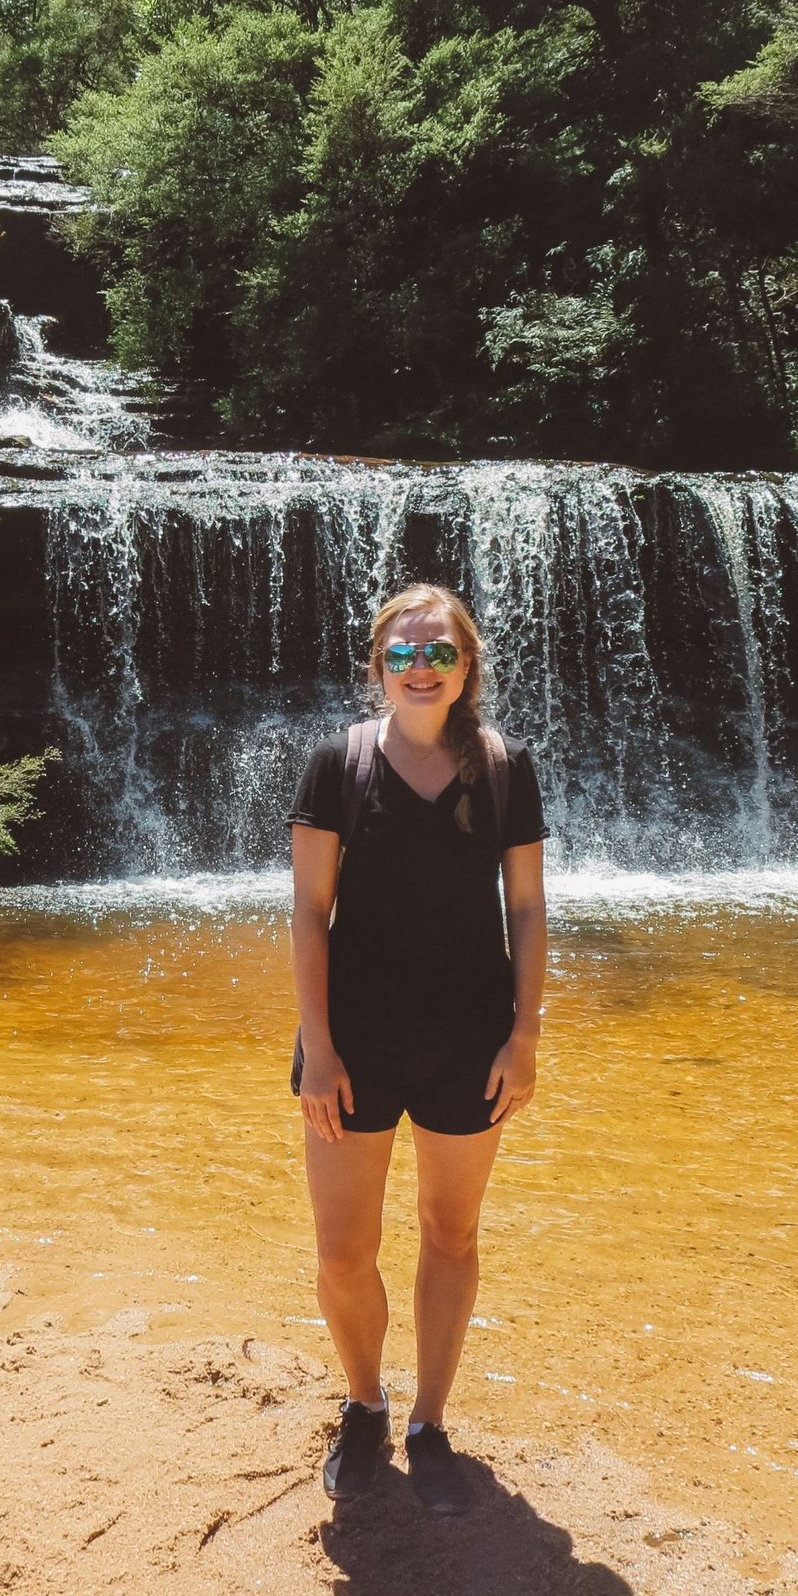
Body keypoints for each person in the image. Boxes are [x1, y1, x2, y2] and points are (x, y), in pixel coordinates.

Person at [288, 581, 548, 1514]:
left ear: (468, 661)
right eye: (402, 653)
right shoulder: (338, 762)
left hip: (470, 1039)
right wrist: (317, 1047)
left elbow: (525, 906)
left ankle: (430, 1421)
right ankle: (364, 1401)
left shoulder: (506, 766)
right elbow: (309, 915)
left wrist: (524, 1035)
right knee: (342, 1249)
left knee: (451, 1233)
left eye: (438, 650)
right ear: (378, 665)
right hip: (351, 1040)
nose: (421, 666)